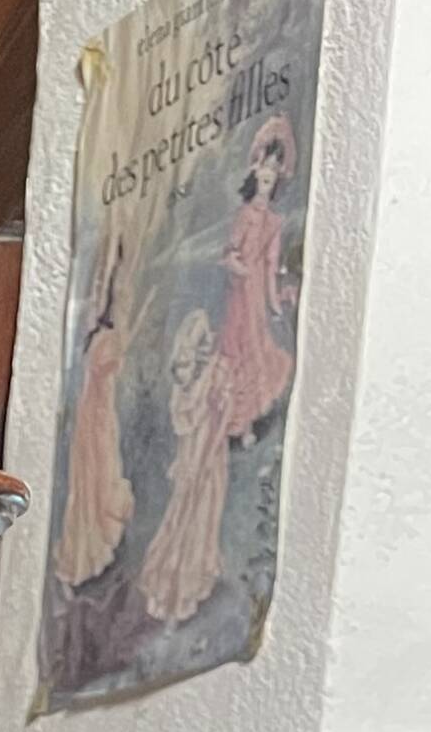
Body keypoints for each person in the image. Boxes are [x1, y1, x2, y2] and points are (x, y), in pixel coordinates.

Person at [52, 233, 136, 589]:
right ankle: (86, 550)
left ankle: (96, 544)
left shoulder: (110, 337)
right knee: (88, 477)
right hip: (93, 414)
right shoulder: (99, 335)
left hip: (101, 416)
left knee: (98, 472)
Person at [139, 307, 230, 626]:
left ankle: (187, 589)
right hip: (191, 461)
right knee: (179, 517)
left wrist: (206, 460)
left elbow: (221, 424)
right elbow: (184, 428)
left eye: (187, 364)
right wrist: (187, 462)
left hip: (209, 463)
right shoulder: (185, 390)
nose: (181, 373)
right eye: (179, 366)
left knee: (200, 520)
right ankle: (166, 586)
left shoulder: (216, 378)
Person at [213, 115, 298, 442]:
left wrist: (274, 302)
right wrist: (237, 266)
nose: (265, 187)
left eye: (271, 181)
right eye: (263, 180)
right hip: (240, 291)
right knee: (235, 347)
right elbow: (229, 253)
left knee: (255, 348)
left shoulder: (274, 222)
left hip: (256, 292)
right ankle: (232, 421)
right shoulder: (245, 216)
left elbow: (272, 264)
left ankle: (246, 419)